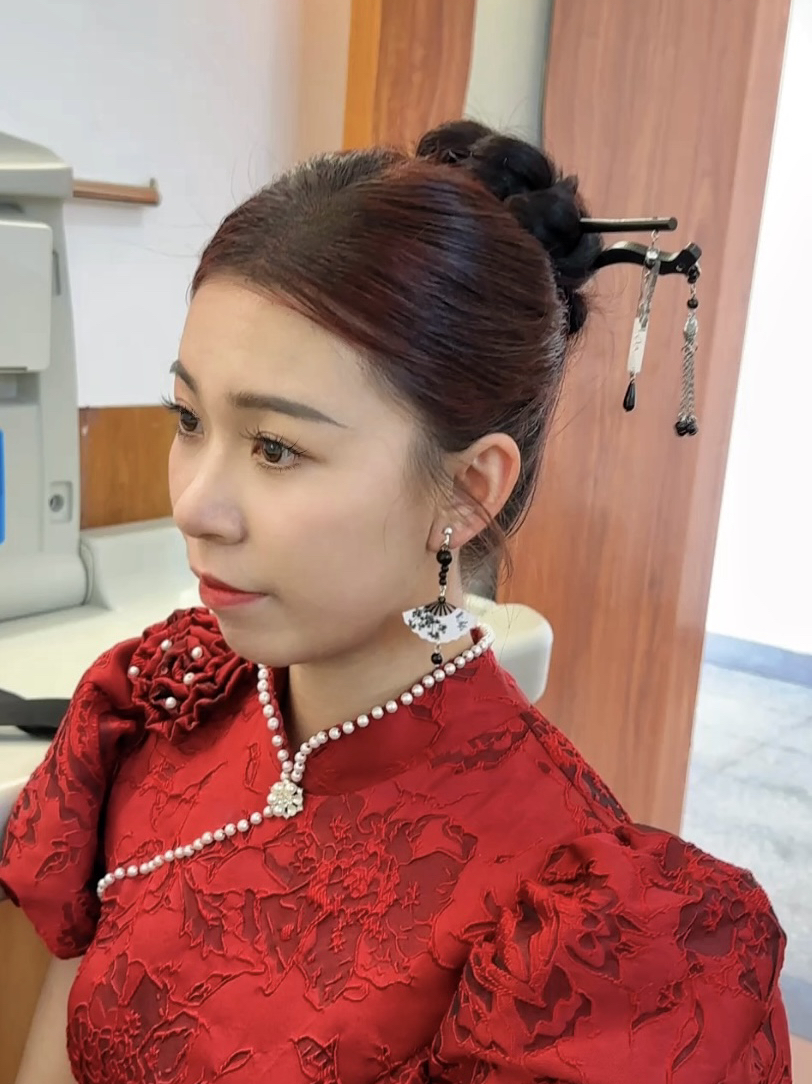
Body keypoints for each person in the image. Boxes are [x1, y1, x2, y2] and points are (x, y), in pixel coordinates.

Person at [0, 121, 792, 1084]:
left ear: (466, 491)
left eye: (276, 448)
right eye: (189, 419)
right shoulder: (159, 706)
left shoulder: (576, 936)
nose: (194, 506)